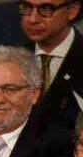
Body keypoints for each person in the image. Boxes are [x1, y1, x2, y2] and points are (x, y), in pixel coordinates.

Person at [22, 0, 83, 132]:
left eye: (45, 9)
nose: (32, 19)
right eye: (27, 7)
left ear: (72, 10)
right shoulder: (13, 60)